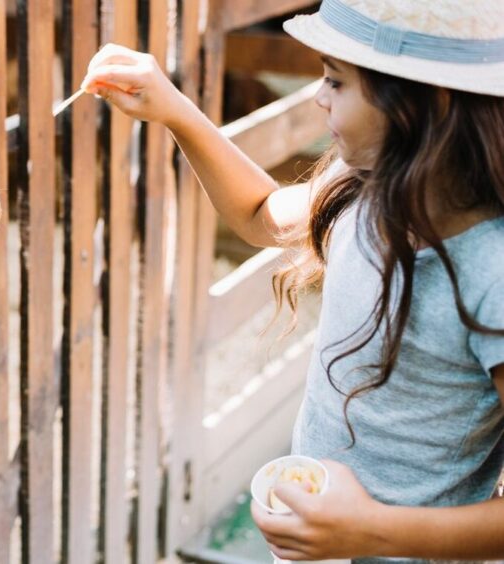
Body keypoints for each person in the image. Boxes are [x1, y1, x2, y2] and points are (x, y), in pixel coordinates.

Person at [81, 0, 504, 561]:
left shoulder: (491, 277)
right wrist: (175, 111)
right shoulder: (362, 192)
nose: (318, 96)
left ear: (426, 103)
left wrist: (370, 530)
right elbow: (259, 213)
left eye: (335, 80)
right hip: (321, 544)